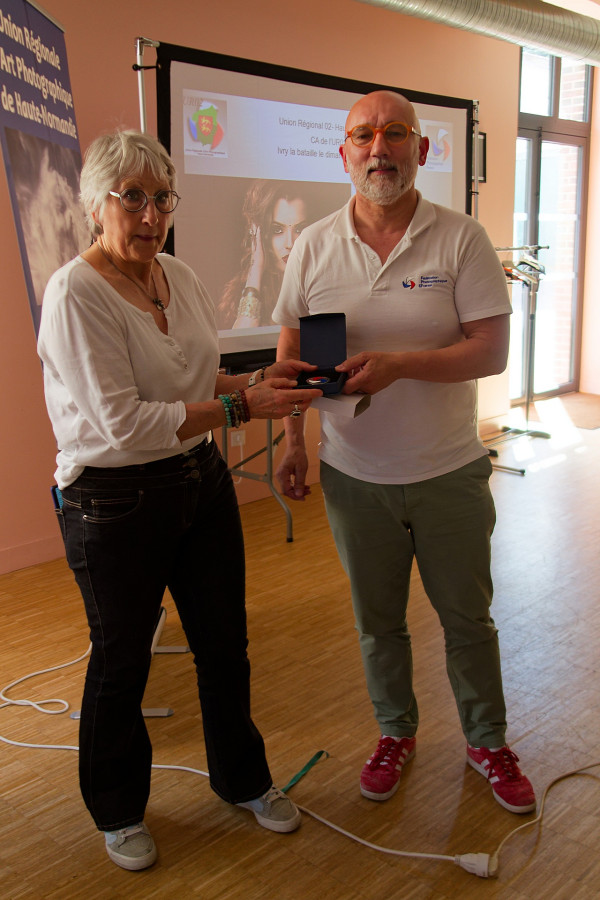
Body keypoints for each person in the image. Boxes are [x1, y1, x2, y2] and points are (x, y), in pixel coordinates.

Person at [37, 130, 321, 872]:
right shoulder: (75, 292)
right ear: (97, 203)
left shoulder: (182, 277)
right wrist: (239, 411)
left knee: (226, 646)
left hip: (199, 481)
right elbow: (123, 420)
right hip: (113, 500)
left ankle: (245, 782)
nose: (150, 213)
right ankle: (118, 810)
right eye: (132, 196)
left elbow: (201, 377)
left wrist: (260, 381)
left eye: (162, 198)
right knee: (122, 661)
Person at [273, 91, 536, 816]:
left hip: (448, 471)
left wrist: (398, 365)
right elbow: (293, 349)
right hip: (353, 477)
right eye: (363, 136)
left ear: (423, 150)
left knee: (467, 620)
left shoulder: (461, 240)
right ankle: (395, 733)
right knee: (377, 623)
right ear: (344, 152)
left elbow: (491, 351)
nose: (378, 148)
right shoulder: (314, 245)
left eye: (395, 135)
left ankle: (487, 740)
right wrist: (294, 439)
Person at [217, 180, 309, 329]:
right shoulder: (237, 295)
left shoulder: (321, 283)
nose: (290, 243)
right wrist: (256, 269)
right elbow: (240, 341)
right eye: (277, 230)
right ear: (260, 234)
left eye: (299, 229)